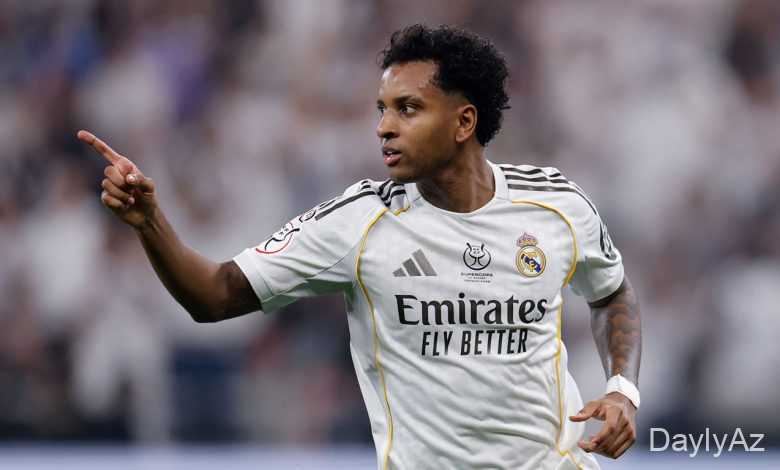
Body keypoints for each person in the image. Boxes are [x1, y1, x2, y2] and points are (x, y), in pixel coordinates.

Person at [78, 24, 641, 470]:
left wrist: (621, 390)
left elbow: (612, 294)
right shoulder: (359, 223)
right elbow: (214, 296)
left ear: (464, 121)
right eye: (382, 109)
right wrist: (149, 223)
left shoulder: (557, 206)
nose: (384, 127)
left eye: (407, 108)